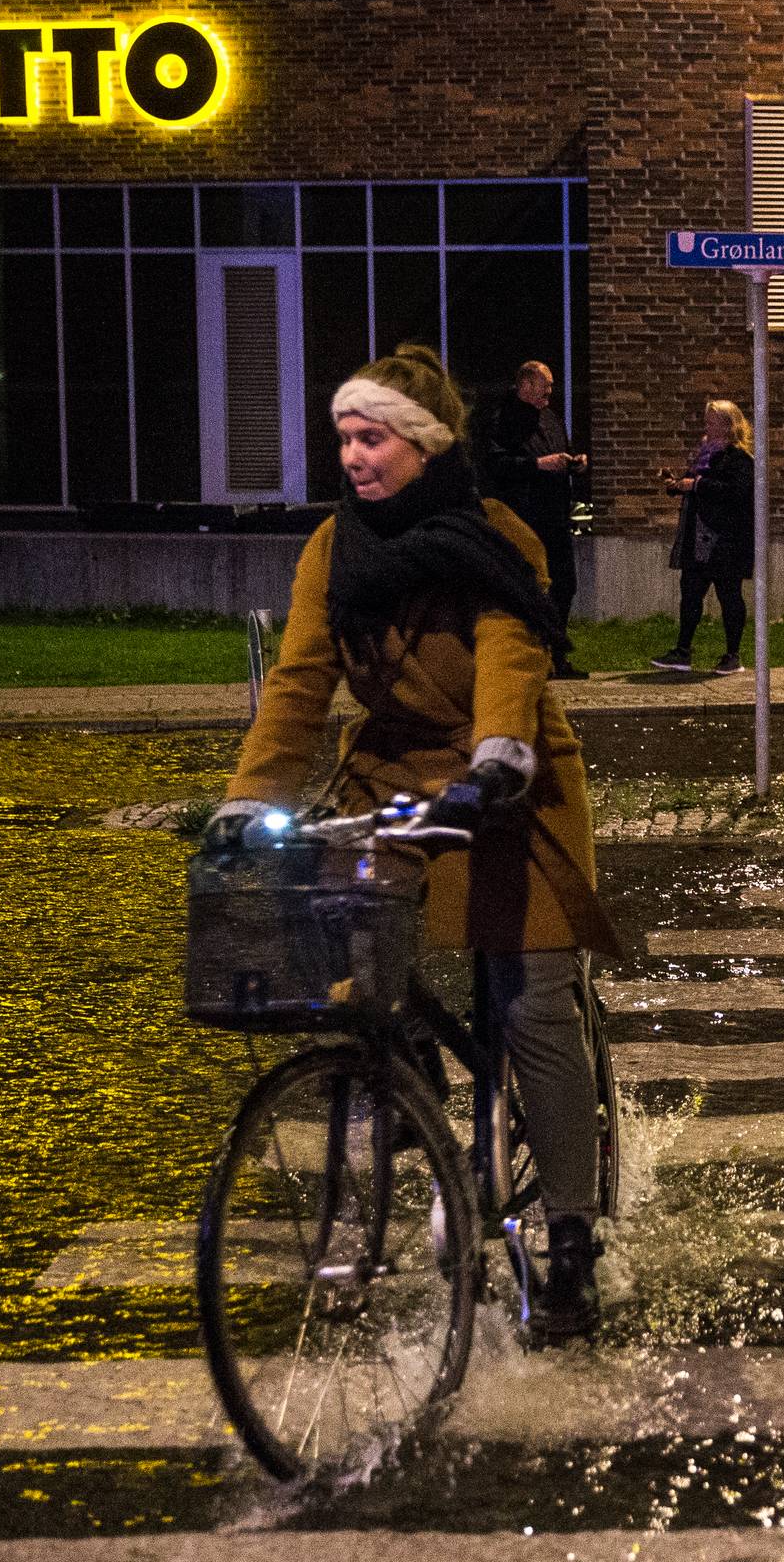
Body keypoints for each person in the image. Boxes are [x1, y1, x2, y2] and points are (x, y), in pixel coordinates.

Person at [208, 343, 620, 1341]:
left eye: (372, 436)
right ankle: (405, 1079)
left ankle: (571, 1236)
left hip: (506, 770)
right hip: (389, 762)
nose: (351, 455)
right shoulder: (331, 549)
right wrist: (246, 801)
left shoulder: (496, 535)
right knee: (346, 941)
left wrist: (497, 757)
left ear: (425, 446)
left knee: (531, 997)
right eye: (344, 437)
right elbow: (301, 682)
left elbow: (510, 654)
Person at [480, 360, 588, 680]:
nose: (550, 392)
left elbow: (560, 454)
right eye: (545, 386)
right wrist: (538, 465)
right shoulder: (503, 418)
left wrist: (573, 464)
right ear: (525, 385)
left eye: (552, 387)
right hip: (523, 518)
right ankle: (525, 657)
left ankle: (556, 655)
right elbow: (496, 464)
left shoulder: (550, 418)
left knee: (565, 584)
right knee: (526, 588)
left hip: (555, 516)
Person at [652, 400, 756, 674]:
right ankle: (682, 651)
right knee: (690, 594)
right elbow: (692, 483)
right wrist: (675, 484)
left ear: (727, 426)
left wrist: (697, 484)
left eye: (711, 421)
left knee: (729, 595)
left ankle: (732, 655)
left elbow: (735, 492)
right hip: (697, 539)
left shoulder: (740, 459)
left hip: (725, 541)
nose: (706, 427)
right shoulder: (705, 456)